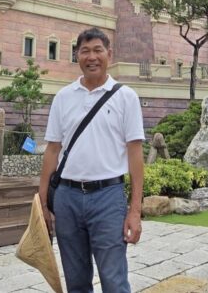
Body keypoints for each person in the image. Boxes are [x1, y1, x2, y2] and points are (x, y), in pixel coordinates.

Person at [39, 27, 144, 293]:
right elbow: (52, 150)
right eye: (85, 51)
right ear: (77, 56)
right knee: (75, 282)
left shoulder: (126, 97)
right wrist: (42, 203)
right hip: (67, 197)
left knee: (114, 280)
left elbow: (135, 154)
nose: (92, 57)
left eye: (98, 50)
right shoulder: (63, 97)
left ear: (109, 54)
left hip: (108, 196)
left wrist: (134, 211)